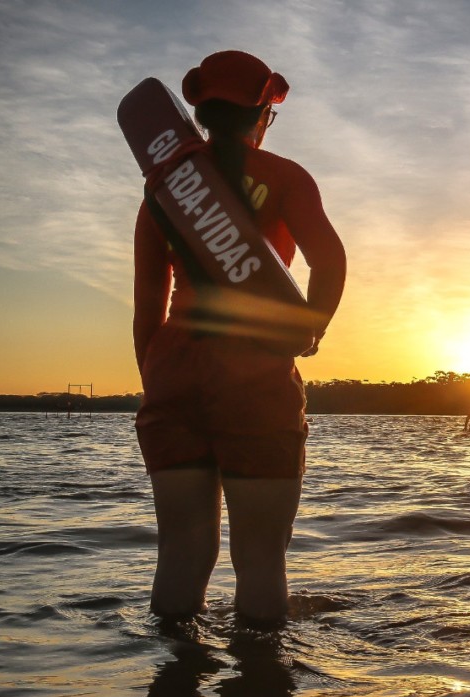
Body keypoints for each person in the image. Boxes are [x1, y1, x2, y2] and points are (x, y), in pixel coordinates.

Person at [133, 50, 347, 626]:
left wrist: (158, 381)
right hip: (254, 371)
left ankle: (169, 691)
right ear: (264, 114)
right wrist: (310, 328)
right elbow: (330, 263)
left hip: (174, 369)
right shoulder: (285, 177)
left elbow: (145, 313)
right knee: (259, 563)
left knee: (178, 556)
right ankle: (262, 694)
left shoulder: (162, 190)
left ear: (199, 114)